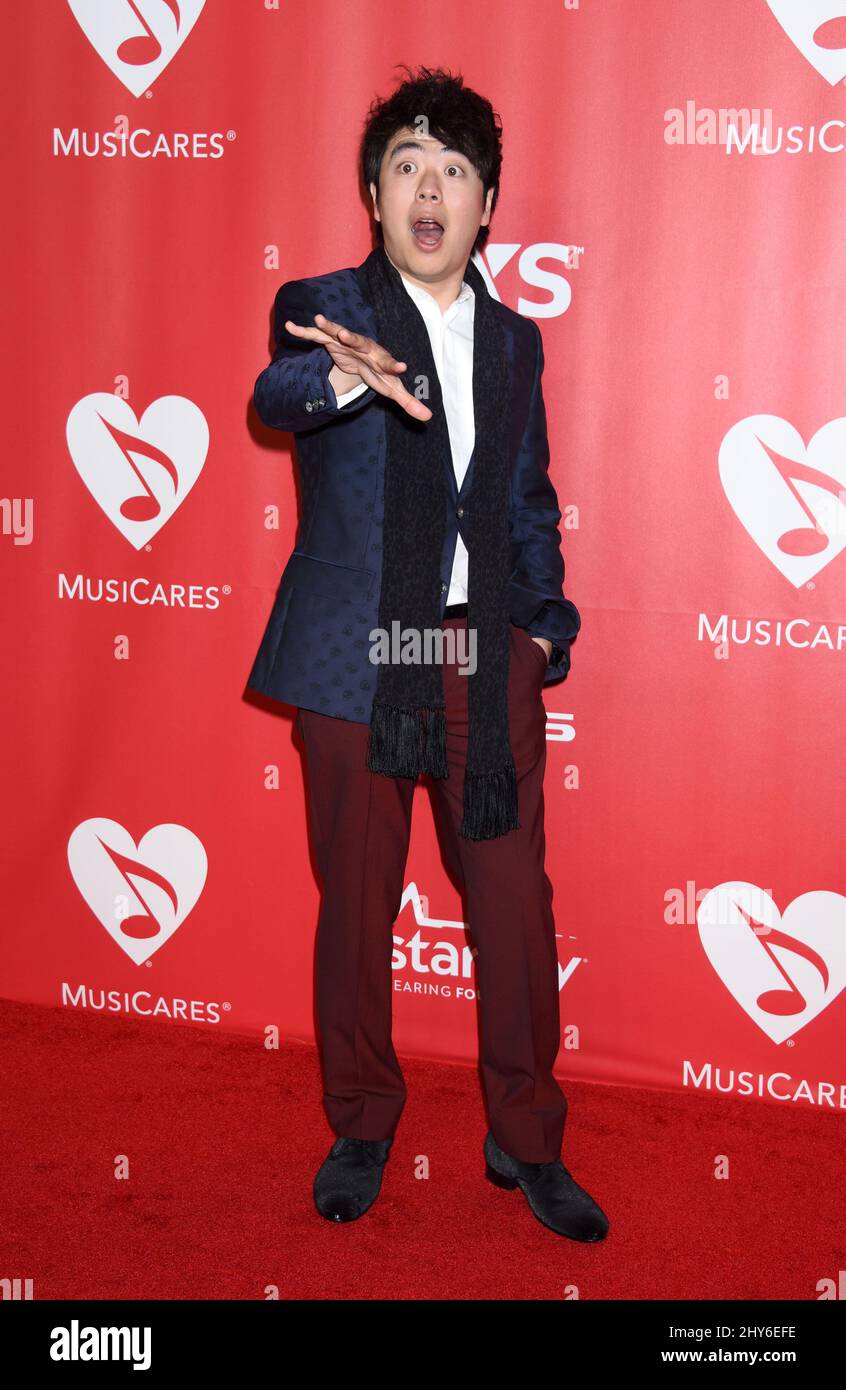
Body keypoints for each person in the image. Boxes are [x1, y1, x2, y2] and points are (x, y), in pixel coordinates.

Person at [248, 64, 607, 1242]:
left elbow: (524, 492)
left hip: (477, 649)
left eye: (455, 170)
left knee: (512, 904)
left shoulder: (514, 340)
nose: (431, 189)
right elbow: (276, 391)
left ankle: (527, 1135)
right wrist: (345, 374)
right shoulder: (323, 304)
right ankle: (361, 1122)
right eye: (407, 166)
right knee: (356, 901)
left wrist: (540, 626)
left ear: (486, 204)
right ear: (373, 190)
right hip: (356, 655)